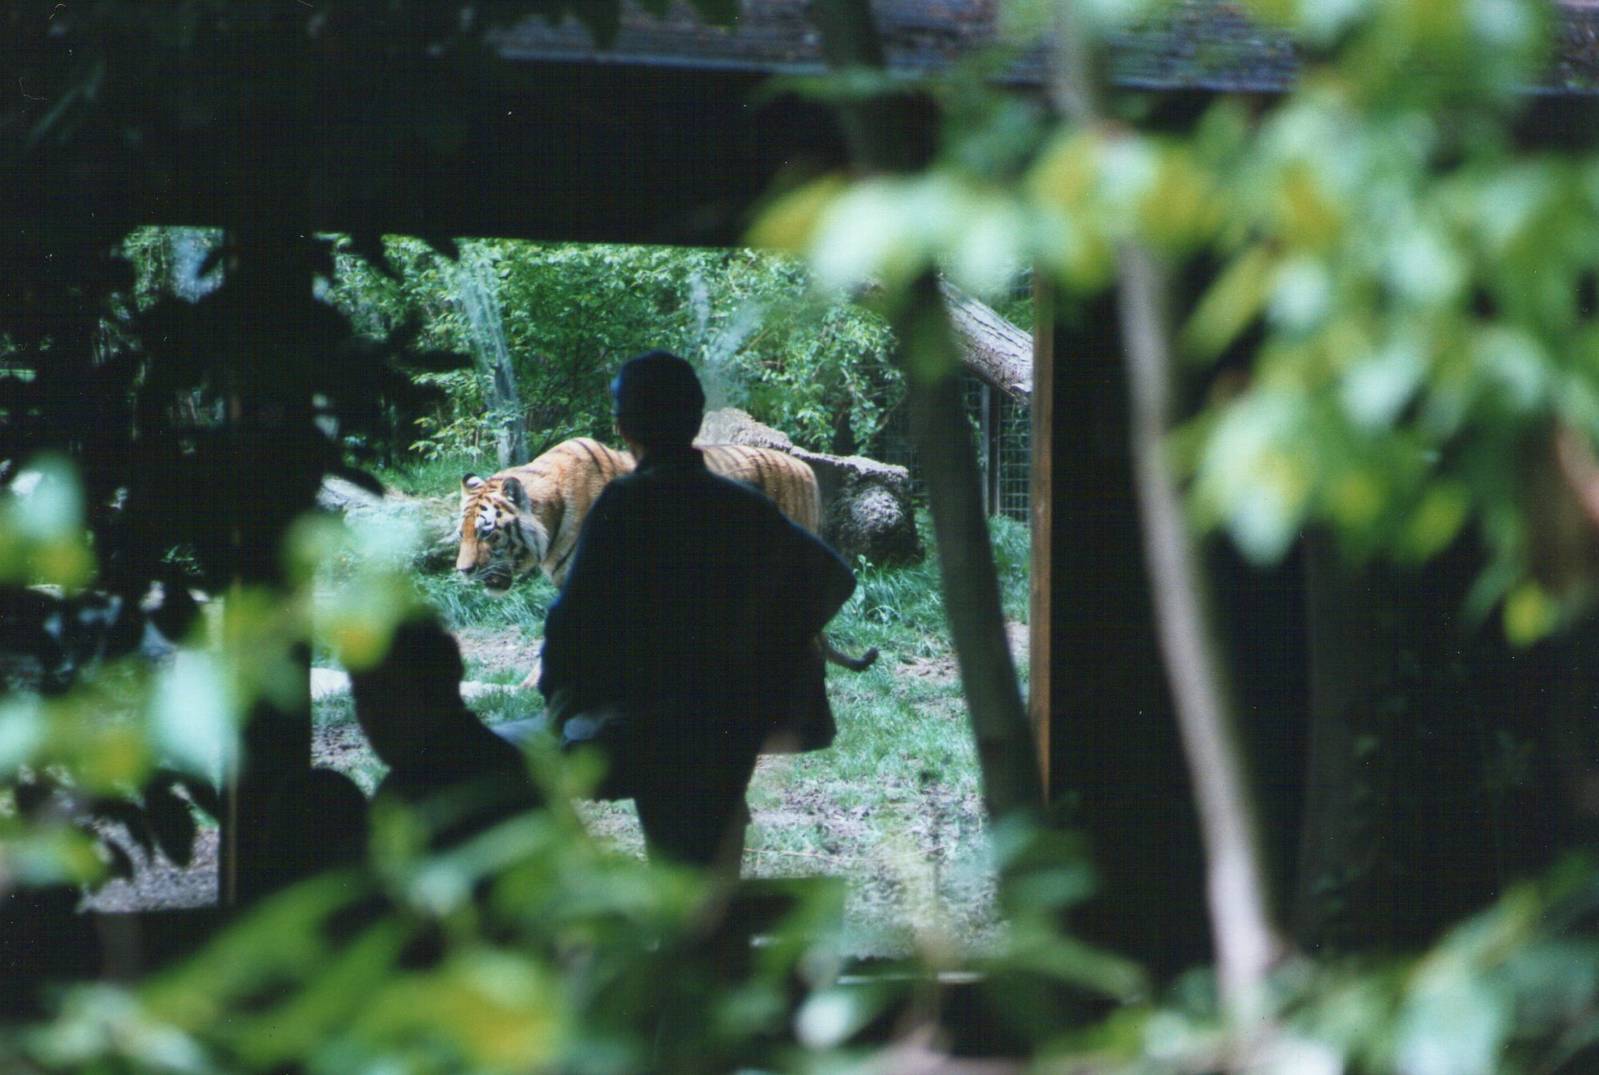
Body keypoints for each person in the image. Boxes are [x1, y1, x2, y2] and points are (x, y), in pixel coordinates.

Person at [538, 350, 857, 869]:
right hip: (736, 715)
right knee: (714, 839)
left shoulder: (625, 503)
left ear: (622, 428)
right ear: (696, 419)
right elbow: (833, 579)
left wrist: (561, 697)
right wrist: (765, 647)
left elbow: (570, 624)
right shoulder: (739, 502)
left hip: (655, 723)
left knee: (677, 856)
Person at [350, 615, 543, 850]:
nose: (370, 717)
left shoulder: (410, 796)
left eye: (387, 697)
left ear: (435, 688)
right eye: (361, 697)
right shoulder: (517, 767)